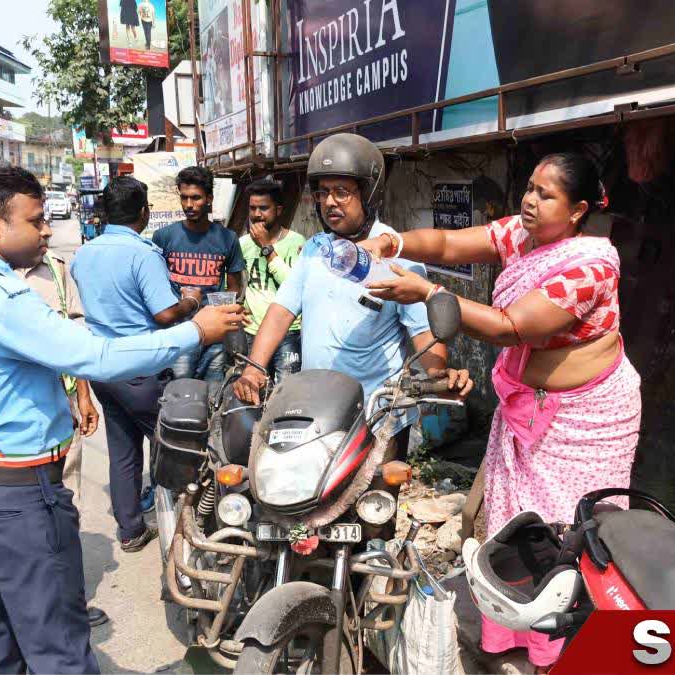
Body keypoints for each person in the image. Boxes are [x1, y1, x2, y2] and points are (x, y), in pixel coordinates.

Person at [0, 165, 242, 674]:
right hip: (15, 492)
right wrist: (195, 332)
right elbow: (93, 354)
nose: (47, 230)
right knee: (59, 646)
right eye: (37, 220)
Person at [360, 151, 640, 672]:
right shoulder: (522, 235)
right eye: (529, 188)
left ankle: (564, 645)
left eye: (545, 194)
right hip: (526, 412)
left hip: (584, 420)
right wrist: (393, 241)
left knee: (568, 530)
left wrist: (427, 292)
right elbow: (446, 242)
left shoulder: (590, 264)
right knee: (514, 524)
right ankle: (516, 633)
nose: (529, 200)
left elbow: (512, 326)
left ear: (577, 210)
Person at [233, 133, 473, 459]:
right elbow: (281, 310)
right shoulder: (316, 250)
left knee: (374, 505)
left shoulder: (397, 255)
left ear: (369, 193)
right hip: (320, 411)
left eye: (342, 192)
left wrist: (435, 376)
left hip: (377, 417)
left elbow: (423, 331)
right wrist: (254, 367)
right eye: (323, 192)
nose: (330, 202)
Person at [71, 176, 215, 551]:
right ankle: (196, 532)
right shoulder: (142, 253)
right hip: (140, 369)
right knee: (186, 448)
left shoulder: (84, 254)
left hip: (104, 369)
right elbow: (166, 314)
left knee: (123, 452)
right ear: (144, 212)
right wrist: (193, 302)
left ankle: (131, 530)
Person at [15, 243, 108, 628]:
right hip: (16, 414)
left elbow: (76, 337)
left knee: (65, 505)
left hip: (63, 404)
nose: (46, 230)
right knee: (20, 514)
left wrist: (84, 395)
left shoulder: (55, 269)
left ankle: (68, 603)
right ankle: (31, 607)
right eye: (36, 220)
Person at [152, 165, 245, 386]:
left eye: (196, 198)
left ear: (209, 198)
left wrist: (222, 315)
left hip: (214, 335)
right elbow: (154, 285)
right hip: (179, 332)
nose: (189, 205)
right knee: (180, 393)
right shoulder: (164, 237)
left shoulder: (227, 238)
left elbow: (233, 288)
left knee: (212, 394)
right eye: (184, 198)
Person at [239, 178, 304, 383]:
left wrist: (267, 248)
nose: (257, 214)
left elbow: (294, 287)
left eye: (264, 208)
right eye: (252, 208)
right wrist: (237, 307)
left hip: (288, 332)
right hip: (252, 331)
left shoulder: (297, 242)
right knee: (252, 389)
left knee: (286, 391)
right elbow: (233, 284)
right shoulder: (242, 244)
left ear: (279, 210)